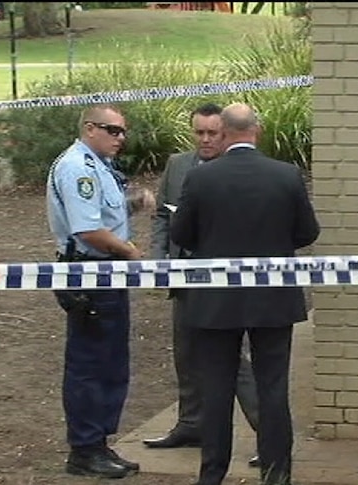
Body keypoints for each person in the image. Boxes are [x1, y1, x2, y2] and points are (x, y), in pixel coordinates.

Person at [170, 102, 320, 485]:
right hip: (273, 298)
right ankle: (276, 472)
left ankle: (212, 474)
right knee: (273, 387)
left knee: (217, 390)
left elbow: (181, 235)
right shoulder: (286, 175)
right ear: (258, 129)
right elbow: (307, 232)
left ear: (223, 132)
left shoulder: (202, 178)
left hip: (216, 300)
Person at [144, 102, 261, 468]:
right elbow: (163, 213)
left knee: (235, 362)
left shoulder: (239, 170)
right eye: (199, 133)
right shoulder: (179, 166)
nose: (206, 140)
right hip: (183, 275)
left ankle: (267, 432)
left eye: (213, 133)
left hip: (224, 282)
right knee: (186, 353)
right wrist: (160, 258)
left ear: (226, 133)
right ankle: (190, 424)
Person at [46, 103, 155, 479]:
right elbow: (88, 231)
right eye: (113, 130)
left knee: (110, 362)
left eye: (123, 131)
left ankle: (98, 444)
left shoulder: (97, 166)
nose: (120, 138)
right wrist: (129, 251)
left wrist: (131, 204)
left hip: (105, 274)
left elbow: (100, 214)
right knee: (91, 364)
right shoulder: (79, 167)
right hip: (91, 275)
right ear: (90, 128)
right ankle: (85, 448)